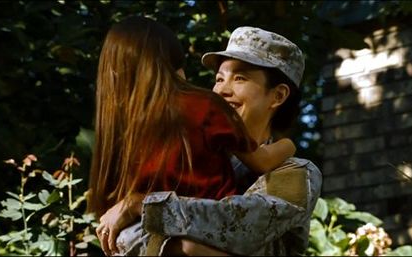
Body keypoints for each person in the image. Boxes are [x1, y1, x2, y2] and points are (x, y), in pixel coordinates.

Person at [95, 24, 323, 256]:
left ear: (278, 95)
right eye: (219, 78)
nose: (222, 90)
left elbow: (240, 225)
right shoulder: (190, 154)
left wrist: (142, 205)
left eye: (239, 78)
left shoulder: (295, 173)